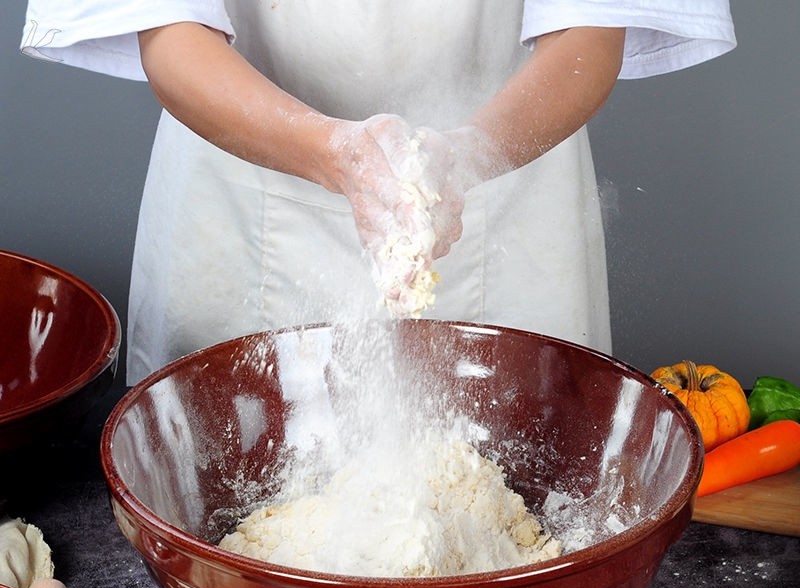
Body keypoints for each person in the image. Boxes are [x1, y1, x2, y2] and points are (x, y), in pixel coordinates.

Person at [21, 2, 735, 385]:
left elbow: (589, 34)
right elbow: (170, 34)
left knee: (518, 523)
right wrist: (331, 151)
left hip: (505, 208)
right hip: (244, 214)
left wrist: (465, 159)